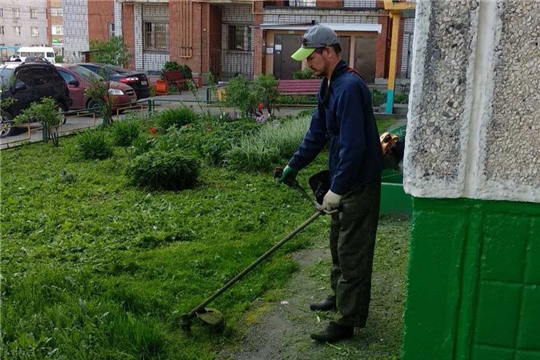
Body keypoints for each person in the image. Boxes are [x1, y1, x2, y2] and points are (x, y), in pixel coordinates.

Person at [278, 24, 384, 343]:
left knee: (352, 253)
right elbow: (317, 134)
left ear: (328, 52)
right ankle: (339, 298)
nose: (306, 64)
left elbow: (354, 146)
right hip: (342, 174)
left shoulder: (349, 87)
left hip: (359, 181)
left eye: (310, 57)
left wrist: (337, 189)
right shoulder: (327, 86)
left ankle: (348, 319)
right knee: (338, 245)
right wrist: (292, 165)